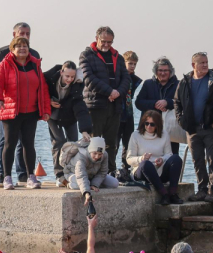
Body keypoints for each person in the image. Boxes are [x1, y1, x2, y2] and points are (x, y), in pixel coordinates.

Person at [0, 37, 51, 190]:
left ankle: (31, 177)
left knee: (28, 144)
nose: (22, 48)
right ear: (12, 49)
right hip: (11, 111)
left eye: (25, 46)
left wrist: (45, 110)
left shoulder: (34, 65)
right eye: (18, 46)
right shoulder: (5, 65)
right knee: (9, 144)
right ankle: (7, 177)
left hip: (30, 112)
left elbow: (42, 88)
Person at [0, 22, 40, 187]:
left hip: (29, 109)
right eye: (21, 33)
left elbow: (39, 81)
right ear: (14, 34)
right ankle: (2, 175)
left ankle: (23, 175)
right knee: (7, 140)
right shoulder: (1, 54)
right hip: (8, 107)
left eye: (27, 34)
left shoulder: (34, 55)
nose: (24, 36)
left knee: (26, 142)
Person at [80, 26, 131, 174]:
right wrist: (109, 91)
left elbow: (126, 79)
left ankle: (110, 171)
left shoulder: (118, 57)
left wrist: (117, 93)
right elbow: (89, 79)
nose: (107, 45)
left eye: (110, 42)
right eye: (104, 41)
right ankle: (90, 172)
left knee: (111, 143)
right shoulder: (86, 56)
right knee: (94, 142)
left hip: (114, 106)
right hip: (95, 105)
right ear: (97, 39)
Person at [174, 52, 213, 202]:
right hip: (192, 128)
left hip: (210, 127)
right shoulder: (185, 82)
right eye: (201, 62)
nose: (205, 65)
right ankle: (202, 189)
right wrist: (181, 120)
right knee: (197, 160)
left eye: (206, 62)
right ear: (193, 65)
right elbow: (177, 102)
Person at [44, 61, 92, 186]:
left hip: (69, 116)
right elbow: (40, 91)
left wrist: (85, 129)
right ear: (61, 73)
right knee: (59, 141)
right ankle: (59, 175)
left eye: (72, 76)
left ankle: (71, 172)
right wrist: (48, 101)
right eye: (67, 76)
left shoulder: (77, 84)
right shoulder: (50, 79)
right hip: (53, 115)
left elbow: (80, 107)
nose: (70, 79)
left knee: (73, 143)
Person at [126, 110, 184, 205]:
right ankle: (164, 194)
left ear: (157, 125)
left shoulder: (164, 135)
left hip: (159, 169)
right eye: (146, 123)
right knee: (146, 164)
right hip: (141, 170)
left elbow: (169, 154)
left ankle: (173, 193)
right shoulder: (135, 135)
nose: (149, 126)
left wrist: (162, 159)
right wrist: (141, 158)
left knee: (176, 158)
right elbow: (129, 159)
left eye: (152, 124)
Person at [135, 57, 181, 154]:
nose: (163, 73)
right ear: (155, 71)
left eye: (165, 70)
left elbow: (183, 103)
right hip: (149, 127)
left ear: (170, 71)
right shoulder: (148, 84)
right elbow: (138, 103)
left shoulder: (178, 85)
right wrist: (155, 104)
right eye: (160, 70)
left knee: (171, 157)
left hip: (171, 130)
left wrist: (168, 103)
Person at [64, 136, 119, 201]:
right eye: (95, 153)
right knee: (77, 185)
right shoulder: (82, 156)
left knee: (114, 183)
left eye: (100, 154)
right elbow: (81, 176)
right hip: (74, 173)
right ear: (90, 150)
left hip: (91, 175)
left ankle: (89, 183)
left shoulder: (105, 155)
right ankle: (67, 183)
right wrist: (87, 193)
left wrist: (95, 184)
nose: (97, 156)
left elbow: (103, 172)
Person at [117, 51, 142, 171]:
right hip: (117, 113)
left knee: (128, 143)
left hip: (128, 114)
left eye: (134, 64)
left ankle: (125, 168)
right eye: (130, 63)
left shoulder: (134, 79)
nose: (132, 66)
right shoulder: (118, 76)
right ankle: (109, 168)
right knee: (114, 143)